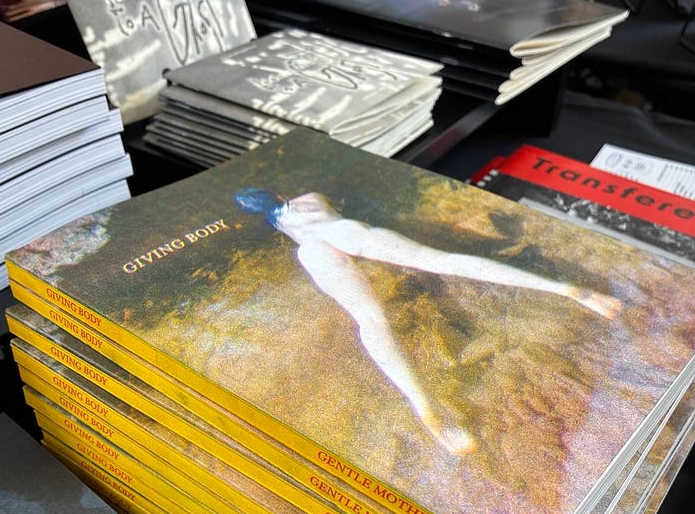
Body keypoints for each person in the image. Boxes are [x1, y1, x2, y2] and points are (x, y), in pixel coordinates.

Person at [235, 188, 622, 456]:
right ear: (280, 195)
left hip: (312, 250)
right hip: (342, 229)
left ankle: (421, 405)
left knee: (369, 319)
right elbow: (328, 205)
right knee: (440, 261)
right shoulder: (311, 198)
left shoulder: (289, 235)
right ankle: (569, 290)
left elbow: (286, 224)